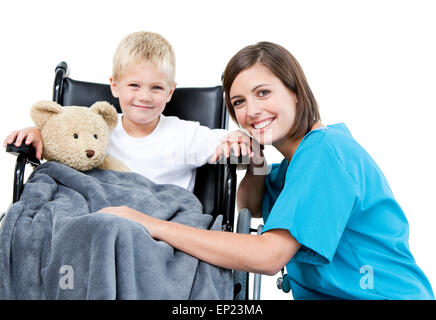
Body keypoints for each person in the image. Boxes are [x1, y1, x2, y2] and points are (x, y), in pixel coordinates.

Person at [97, 41, 434, 300]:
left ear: (296, 92)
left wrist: (149, 223)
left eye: (263, 93)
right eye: (239, 102)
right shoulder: (295, 163)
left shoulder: (325, 154)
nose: (252, 111)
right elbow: (248, 207)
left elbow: (269, 255)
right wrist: (256, 163)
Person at [3, 31, 249, 192]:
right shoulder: (95, 128)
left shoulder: (184, 135)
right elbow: (63, 140)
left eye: (156, 88)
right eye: (134, 85)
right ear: (115, 86)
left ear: (170, 92)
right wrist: (37, 132)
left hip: (158, 225)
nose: (144, 96)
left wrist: (239, 137)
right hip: (97, 215)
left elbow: (231, 142)